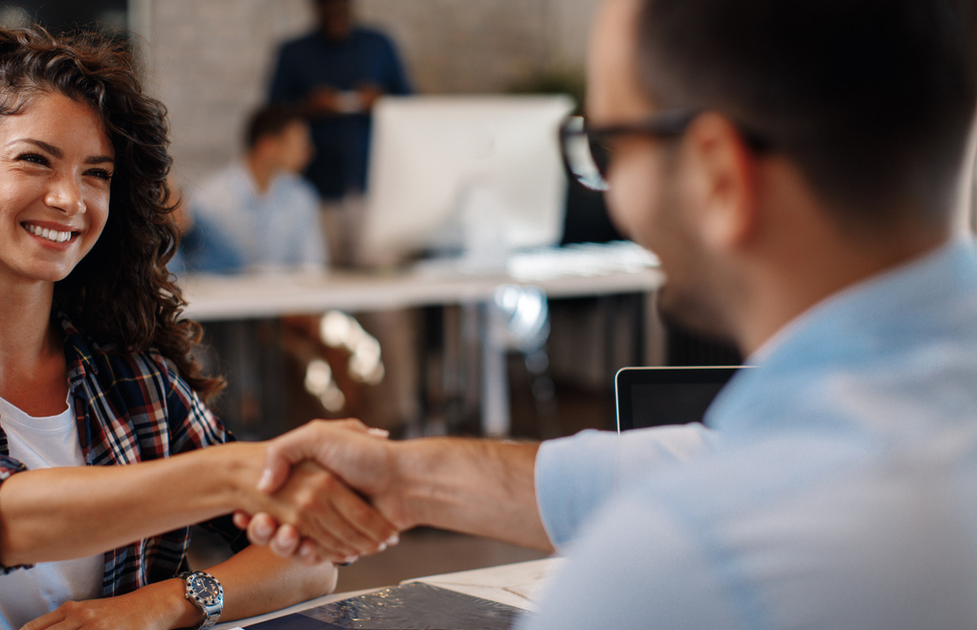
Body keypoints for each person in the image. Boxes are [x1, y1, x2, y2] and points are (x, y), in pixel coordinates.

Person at [238, 0, 977, 627]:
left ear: (718, 176)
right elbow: (696, 459)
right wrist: (402, 480)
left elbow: (706, 495)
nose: (610, 190)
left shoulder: (678, 568)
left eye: (608, 144)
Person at [0, 24, 395, 630]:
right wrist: (240, 474)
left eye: (97, 174)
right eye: (35, 160)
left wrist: (154, 607)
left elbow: (308, 560)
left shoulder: (131, 373)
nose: (70, 199)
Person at [267, 0, 412, 265]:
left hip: (372, 186)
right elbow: (271, 115)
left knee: (380, 285)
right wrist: (308, 106)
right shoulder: (294, 52)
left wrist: (382, 101)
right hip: (316, 189)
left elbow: (411, 105)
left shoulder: (379, 45)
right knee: (322, 280)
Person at [175, 105, 327, 274]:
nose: (308, 153)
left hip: (289, 298)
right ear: (267, 145)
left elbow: (313, 267)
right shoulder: (208, 199)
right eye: (300, 143)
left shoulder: (302, 196)